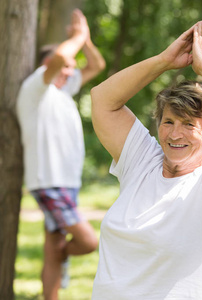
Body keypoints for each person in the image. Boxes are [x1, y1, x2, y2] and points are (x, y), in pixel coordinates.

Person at [89, 21, 202, 299]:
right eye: (168, 121)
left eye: (188, 124)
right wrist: (164, 61)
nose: (174, 134)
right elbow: (102, 99)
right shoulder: (142, 162)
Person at [16, 9, 105, 300]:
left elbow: (97, 64)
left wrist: (86, 40)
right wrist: (76, 37)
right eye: (66, 66)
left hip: (67, 182)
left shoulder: (63, 92)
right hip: (49, 182)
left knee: (52, 244)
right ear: (47, 66)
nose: (70, 71)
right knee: (88, 241)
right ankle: (62, 258)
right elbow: (57, 60)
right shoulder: (35, 90)